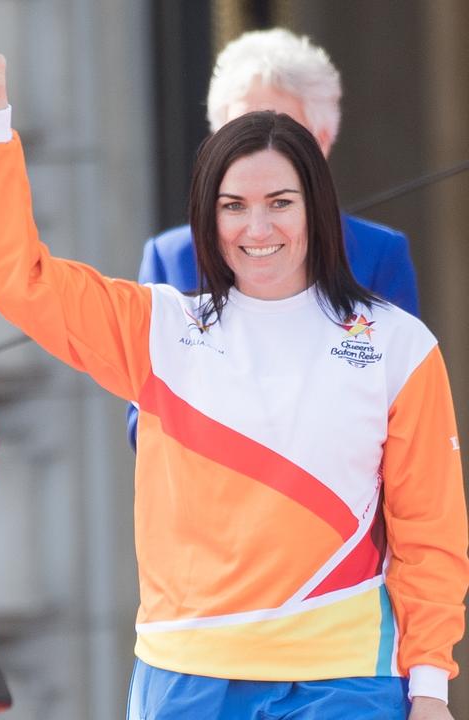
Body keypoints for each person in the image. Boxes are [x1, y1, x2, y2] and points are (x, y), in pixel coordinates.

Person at [0, 23, 467, 720]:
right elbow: (17, 279)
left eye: (281, 203)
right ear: (206, 220)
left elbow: (429, 533)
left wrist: (428, 689)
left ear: (318, 208)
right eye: (234, 207)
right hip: (188, 676)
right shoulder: (159, 329)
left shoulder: (400, 346)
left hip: (344, 676)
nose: (259, 228)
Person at [129, 28, 420, 448]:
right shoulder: (171, 257)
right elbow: (143, 422)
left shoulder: (378, 254)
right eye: (239, 132)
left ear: (320, 142)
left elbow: (403, 415)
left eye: (282, 135)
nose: (258, 151)